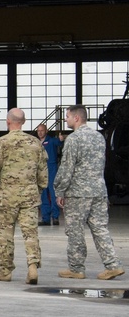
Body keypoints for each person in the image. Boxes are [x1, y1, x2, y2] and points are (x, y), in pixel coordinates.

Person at [53, 105, 125, 280]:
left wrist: (59, 189)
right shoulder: (99, 137)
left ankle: (76, 268)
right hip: (99, 191)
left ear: (77, 118)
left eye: (68, 116)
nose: (66, 119)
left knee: (75, 231)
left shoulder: (73, 139)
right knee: (100, 228)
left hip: (78, 193)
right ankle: (112, 265)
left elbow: (67, 167)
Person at [0, 108, 47, 284]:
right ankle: (32, 266)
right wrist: (37, 191)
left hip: (6, 198)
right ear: (24, 122)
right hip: (29, 197)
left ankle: (5, 271)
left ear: (8, 121)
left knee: (5, 235)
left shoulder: (0, 143)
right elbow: (43, 174)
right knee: (30, 233)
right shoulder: (36, 143)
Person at [36, 123, 63, 226]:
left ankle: (55, 217)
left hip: (51, 169)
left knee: (53, 193)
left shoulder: (51, 140)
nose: (40, 132)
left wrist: (61, 139)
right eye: (38, 131)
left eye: (42, 130)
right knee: (43, 195)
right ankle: (45, 218)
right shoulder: (37, 143)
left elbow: (59, 143)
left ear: (46, 131)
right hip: (41, 170)